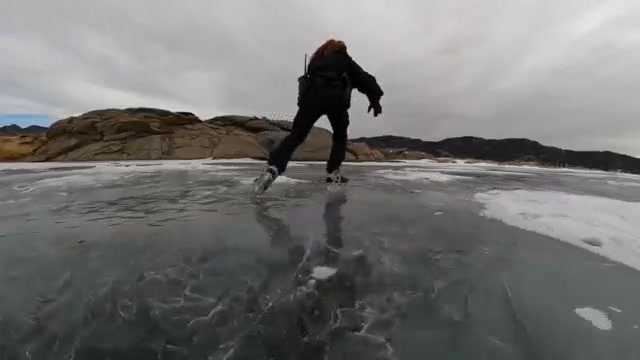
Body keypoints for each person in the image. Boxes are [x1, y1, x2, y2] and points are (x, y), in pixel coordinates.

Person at [253, 38, 384, 194]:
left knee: (296, 136)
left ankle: (273, 168)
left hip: (312, 98)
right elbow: (364, 78)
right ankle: (333, 173)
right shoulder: (343, 59)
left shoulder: (315, 61)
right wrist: (374, 99)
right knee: (340, 136)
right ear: (340, 49)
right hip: (336, 100)